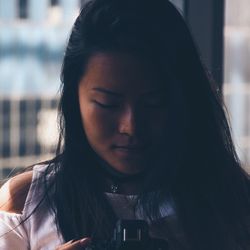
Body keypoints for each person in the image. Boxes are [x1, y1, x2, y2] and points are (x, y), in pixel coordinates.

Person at [1, 0, 250, 249]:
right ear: (73, 98)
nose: (131, 126)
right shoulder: (25, 205)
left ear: (183, 99)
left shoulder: (233, 202)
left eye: (154, 103)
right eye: (107, 103)